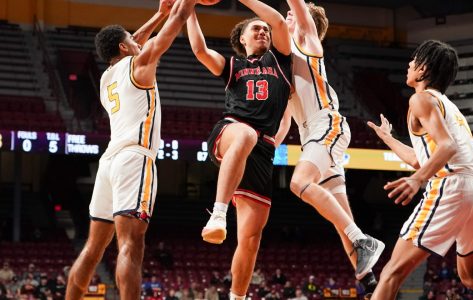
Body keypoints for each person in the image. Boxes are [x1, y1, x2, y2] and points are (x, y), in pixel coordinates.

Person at [65, 0, 196, 299]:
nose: (137, 41)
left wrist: (157, 15)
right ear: (125, 48)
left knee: (92, 248)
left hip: (109, 162)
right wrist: (184, 4)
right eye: (131, 40)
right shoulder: (139, 64)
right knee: (131, 245)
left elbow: (133, 42)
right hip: (134, 158)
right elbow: (172, 27)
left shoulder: (105, 78)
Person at [368, 40, 473, 299]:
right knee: (472, 275)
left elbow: (447, 147)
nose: (409, 64)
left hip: (454, 186)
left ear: (424, 68)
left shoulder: (420, 99)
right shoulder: (447, 105)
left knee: (391, 273)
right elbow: (421, 159)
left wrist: (417, 180)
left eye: (414, 60)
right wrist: (388, 138)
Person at [274, 0, 384, 289]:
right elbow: (285, 120)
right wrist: (271, 147)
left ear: (304, 21)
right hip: (310, 134)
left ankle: (364, 240)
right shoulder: (285, 65)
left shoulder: (309, 43)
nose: (287, 15)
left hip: (327, 125)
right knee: (341, 219)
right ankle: (372, 286)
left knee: (299, 184)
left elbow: (295, 5)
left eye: (292, 14)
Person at [186, 0, 292, 298]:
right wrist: (189, 9)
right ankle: (218, 213)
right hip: (231, 131)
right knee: (245, 134)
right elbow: (199, 50)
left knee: (251, 238)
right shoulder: (234, 65)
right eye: (255, 28)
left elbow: (287, 115)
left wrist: (277, 139)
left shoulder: (280, 61)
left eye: (265, 29)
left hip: (262, 148)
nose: (263, 31)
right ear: (241, 38)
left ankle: (237, 296)